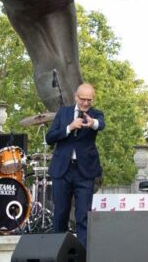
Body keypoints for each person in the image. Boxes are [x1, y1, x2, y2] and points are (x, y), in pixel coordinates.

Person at [47, 83, 105, 249]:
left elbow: (100, 124)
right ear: (75, 97)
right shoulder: (63, 112)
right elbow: (49, 137)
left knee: (83, 216)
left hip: (84, 172)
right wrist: (69, 128)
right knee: (60, 214)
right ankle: (58, 253)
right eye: (83, 99)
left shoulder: (96, 114)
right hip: (62, 170)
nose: (86, 103)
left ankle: (82, 255)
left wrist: (92, 122)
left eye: (89, 100)